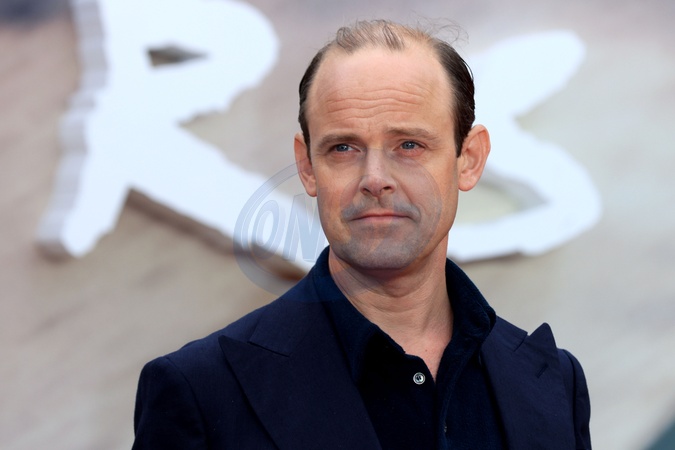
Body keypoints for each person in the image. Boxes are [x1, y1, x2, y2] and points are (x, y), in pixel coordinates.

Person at [132, 20, 591, 449]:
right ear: (307, 166)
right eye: (343, 148)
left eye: (409, 145)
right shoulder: (200, 391)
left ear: (468, 159)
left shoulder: (555, 384)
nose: (375, 179)